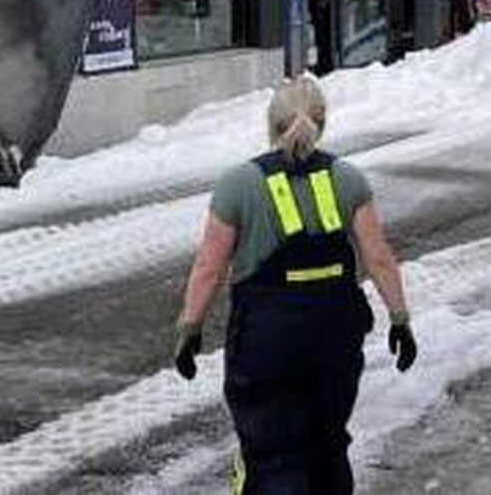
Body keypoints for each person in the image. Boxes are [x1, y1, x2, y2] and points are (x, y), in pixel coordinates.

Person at [173, 78, 417, 494]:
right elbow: (378, 257)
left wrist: (190, 328)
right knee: (327, 446)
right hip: (335, 336)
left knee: (272, 453)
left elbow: (208, 267)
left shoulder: (238, 184)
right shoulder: (348, 179)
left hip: (266, 340)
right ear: (321, 124)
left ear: (271, 124)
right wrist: (400, 320)